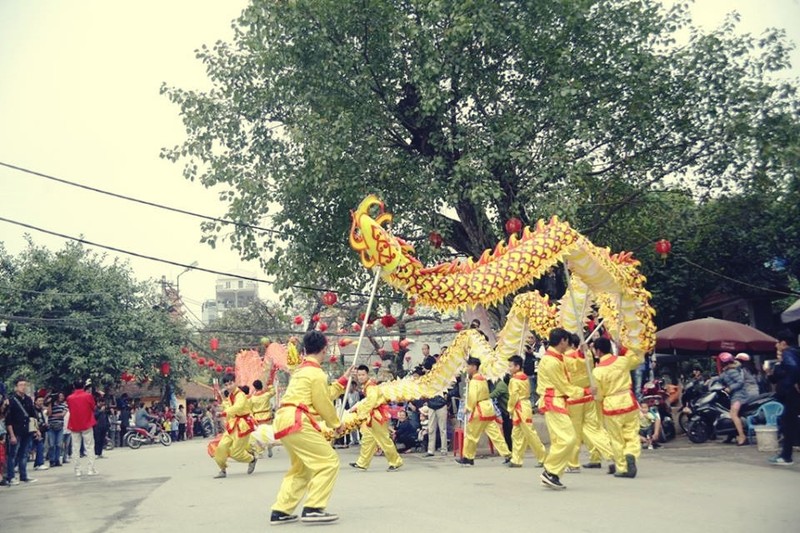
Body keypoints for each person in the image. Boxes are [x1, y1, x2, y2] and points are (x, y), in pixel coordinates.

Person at [270, 331, 346, 525]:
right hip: (298, 420)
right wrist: (336, 424)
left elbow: (322, 395)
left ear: (304, 350)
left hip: (285, 419)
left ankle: (281, 510)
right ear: (324, 350)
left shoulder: (301, 372)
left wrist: (342, 382)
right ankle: (313, 508)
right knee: (328, 461)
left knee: (301, 467)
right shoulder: (316, 373)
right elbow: (322, 402)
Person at [536, 329, 585, 489]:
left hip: (557, 401)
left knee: (561, 440)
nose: (568, 346)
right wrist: (583, 392)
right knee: (568, 438)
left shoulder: (557, 358)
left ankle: (553, 472)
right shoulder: (551, 361)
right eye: (567, 342)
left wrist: (582, 354)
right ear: (562, 341)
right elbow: (563, 386)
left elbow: (572, 364)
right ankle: (550, 471)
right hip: (554, 401)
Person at [563, 334, 615, 473]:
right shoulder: (588, 354)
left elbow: (572, 369)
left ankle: (573, 463)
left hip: (575, 398)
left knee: (575, 432)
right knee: (594, 428)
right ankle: (607, 455)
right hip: (590, 396)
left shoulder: (567, 356)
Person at [592, 338, 643, 478]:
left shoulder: (597, 371)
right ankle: (631, 453)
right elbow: (637, 360)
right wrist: (624, 348)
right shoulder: (622, 361)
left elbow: (599, 394)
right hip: (628, 400)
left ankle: (622, 467)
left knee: (616, 438)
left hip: (611, 405)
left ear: (597, 351)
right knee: (632, 434)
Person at [456, 357, 511, 465]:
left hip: (479, 410)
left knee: (471, 434)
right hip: (488, 408)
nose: (466, 368)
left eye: (468, 366)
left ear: (474, 367)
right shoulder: (482, 379)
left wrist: (468, 408)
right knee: (495, 434)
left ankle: (468, 457)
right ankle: (507, 454)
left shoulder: (474, 381)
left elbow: (472, 396)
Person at [350, 365, 404, 472]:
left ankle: (395, 461)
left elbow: (371, 401)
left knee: (383, 439)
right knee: (368, 439)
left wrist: (362, 413)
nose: (360, 377)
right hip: (372, 415)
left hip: (377, 415)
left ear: (367, 375)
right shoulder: (367, 385)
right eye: (359, 375)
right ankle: (362, 462)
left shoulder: (371, 386)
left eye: (362, 375)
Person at [212, 374, 258, 478]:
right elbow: (228, 406)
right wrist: (222, 404)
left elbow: (238, 407)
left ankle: (252, 459)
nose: (229, 386)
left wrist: (223, 413)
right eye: (227, 384)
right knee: (221, 447)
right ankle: (222, 469)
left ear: (235, 382)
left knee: (235, 453)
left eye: (230, 383)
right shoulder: (230, 396)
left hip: (243, 425)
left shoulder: (240, 395)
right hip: (233, 424)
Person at [507, 355, 547, 468]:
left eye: (510, 366)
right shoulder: (524, 377)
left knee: (529, 434)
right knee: (517, 434)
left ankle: (543, 457)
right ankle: (516, 459)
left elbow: (513, 396)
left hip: (520, 407)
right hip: (524, 405)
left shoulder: (514, 380)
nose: (509, 368)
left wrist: (510, 408)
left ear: (517, 366)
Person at [767, 330, 800, 466]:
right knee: (789, 423)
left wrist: (793, 383)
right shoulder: (796, 352)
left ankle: (786, 457)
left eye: (777, 343)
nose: (776, 346)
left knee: (788, 423)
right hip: (792, 395)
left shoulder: (788, 353)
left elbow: (793, 368)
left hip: (792, 395)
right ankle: (785, 455)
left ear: (783, 343)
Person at [5, 378, 39, 484]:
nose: (23, 387)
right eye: (21, 385)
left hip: (27, 430)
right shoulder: (11, 401)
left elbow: (33, 415)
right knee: (12, 454)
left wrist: (36, 429)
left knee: (24, 454)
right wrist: (12, 435)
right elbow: (8, 419)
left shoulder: (28, 400)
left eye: (25, 385)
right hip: (16, 431)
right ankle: (11, 477)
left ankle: (23, 475)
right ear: (16, 387)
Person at [717, 352, 753, 446]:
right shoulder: (727, 371)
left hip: (739, 396)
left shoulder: (732, 371)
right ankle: (733, 435)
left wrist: (730, 388)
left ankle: (742, 437)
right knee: (732, 415)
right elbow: (720, 380)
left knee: (733, 414)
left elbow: (740, 382)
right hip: (734, 396)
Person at [66, 379, 97, 477]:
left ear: (74, 386)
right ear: (83, 386)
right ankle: (90, 469)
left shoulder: (69, 398)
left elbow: (70, 409)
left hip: (74, 424)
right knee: (89, 446)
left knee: (75, 448)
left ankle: (77, 470)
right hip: (86, 423)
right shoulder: (88, 396)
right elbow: (93, 407)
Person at [489, 375, 513, 450]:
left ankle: (510, 450)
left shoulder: (500, 385)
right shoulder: (498, 384)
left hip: (508, 411)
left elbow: (493, 395)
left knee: (508, 432)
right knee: (507, 431)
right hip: (505, 411)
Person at [424, 390, 449, 457]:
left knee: (442, 429)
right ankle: (430, 450)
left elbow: (452, 389)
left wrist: (446, 395)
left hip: (441, 405)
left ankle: (444, 449)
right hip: (431, 405)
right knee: (431, 429)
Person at [47, 392, 67, 467]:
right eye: (59, 396)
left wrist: (54, 415)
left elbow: (62, 415)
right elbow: (49, 414)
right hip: (51, 426)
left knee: (59, 444)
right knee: (51, 444)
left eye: (62, 396)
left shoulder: (64, 405)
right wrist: (49, 403)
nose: (61, 397)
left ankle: (57, 459)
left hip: (60, 427)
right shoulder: (52, 405)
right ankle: (52, 460)